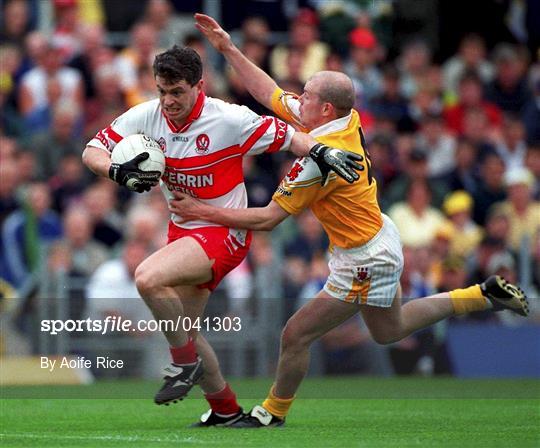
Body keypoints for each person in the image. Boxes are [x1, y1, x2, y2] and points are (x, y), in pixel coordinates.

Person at [169, 13, 530, 428]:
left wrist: (203, 212)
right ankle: (481, 295)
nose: (296, 99)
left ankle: (271, 413)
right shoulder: (340, 118)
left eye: (304, 95)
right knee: (389, 329)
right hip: (376, 234)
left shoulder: (319, 157)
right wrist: (228, 49)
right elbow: (270, 93)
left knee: (296, 334)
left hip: (364, 256)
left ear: (323, 107)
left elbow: (269, 218)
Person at [81, 43, 362, 426]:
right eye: (163, 91)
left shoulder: (228, 119)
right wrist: (117, 171)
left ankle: (184, 367)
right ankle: (225, 409)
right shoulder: (147, 116)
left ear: (199, 85)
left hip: (225, 231)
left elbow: (290, 137)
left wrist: (322, 152)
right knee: (188, 332)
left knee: (147, 278)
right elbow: (92, 150)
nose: (168, 101)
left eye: (177, 91)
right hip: (183, 232)